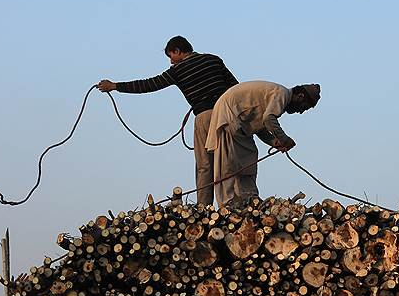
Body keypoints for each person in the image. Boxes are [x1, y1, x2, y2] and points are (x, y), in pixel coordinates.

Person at [97, 36, 238, 206]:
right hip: (228, 116)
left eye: (171, 56)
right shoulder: (214, 60)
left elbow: (148, 85)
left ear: (178, 51)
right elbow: (235, 88)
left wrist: (115, 86)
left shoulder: (177, 70)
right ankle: (233, 203)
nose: (171, 62)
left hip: (205, 116)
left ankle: (204, 207)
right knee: (230, 160)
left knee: (205, 165)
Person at [206, 81, 321, 207]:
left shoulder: (279, 96)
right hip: (229, 116)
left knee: (249, 157)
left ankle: (249, 201)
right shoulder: (281, 94)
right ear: (300, 97)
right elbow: (268, 118)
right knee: (228, 165)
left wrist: (274, 142)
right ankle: (227, 205)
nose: (301, 112)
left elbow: (260, 125)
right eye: (304, 107)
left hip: (240, 122)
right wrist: (284, 139)